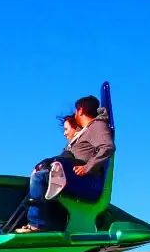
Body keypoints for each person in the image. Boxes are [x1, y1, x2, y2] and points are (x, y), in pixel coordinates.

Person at [19, 96, 114, 233]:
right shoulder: (87, 131)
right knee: (39, 180)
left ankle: (37, 224)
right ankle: (28, 222)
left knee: (40, 178)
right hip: (77, 178)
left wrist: (87, 167)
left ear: (80, 110)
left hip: (86, 182)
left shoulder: (97, 126)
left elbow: (108, 147)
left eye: (76, 111)